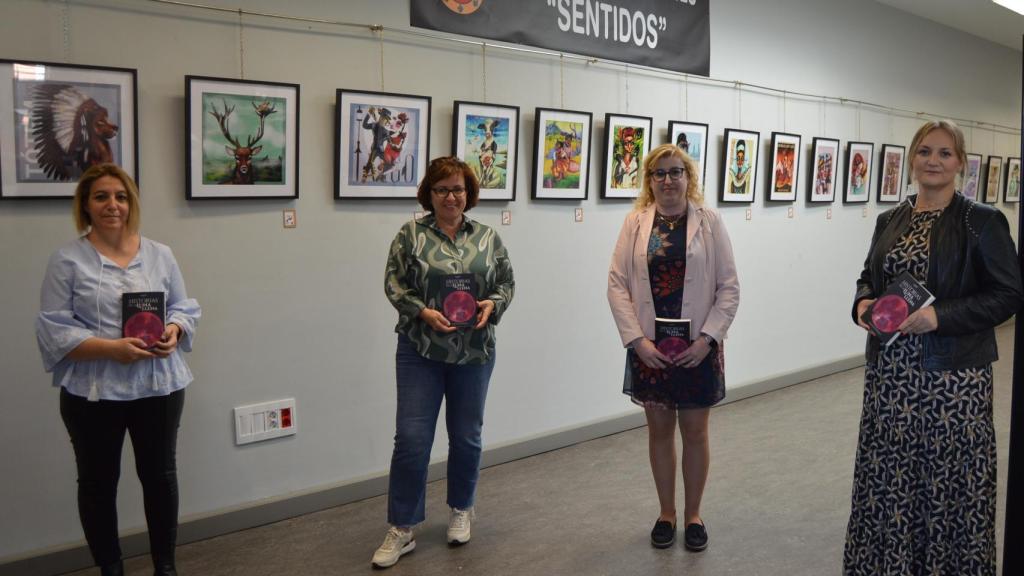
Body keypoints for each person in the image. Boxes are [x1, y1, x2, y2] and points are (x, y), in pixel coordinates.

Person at [845, 120, 1022, 576]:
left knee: (947, 484)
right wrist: (863, 302)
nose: (933, 161)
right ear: (912, 159)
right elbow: (870, 275)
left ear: (961, 162)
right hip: (890, 377)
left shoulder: (981, 221)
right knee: (891, 478)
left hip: (952, 381)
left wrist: (939, 316)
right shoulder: (892, 217)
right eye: (925, 152)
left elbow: (1008, 294)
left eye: (945, 153)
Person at [35, 163, 201, 576]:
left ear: (132, 204)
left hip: (158, 385)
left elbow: (184, 306)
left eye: (121, 196)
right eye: (102, 197)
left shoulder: (160, 254)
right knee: (97, 484)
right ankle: (111, 568)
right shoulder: (67, 260)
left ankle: (165, 565)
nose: (113, 205)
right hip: (94, 391)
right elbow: (54, 327)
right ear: (86, 206)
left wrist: (175, 331)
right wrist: (111, 349)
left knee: (160, 478)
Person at [374, 156, 515, 569]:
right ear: (429, 195)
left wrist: (493, 302)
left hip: (474, 352)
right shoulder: (410, 235)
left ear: (468, 193)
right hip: (420, 351)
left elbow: (506, 282)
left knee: (467, 436)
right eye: (442, 190)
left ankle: (461, 509)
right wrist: (421, 310)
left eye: (457, 189)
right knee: (412, 440)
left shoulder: (488, 238)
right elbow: (394, 282)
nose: (451, 197)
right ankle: (403, 526)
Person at [607, 143, 740, 552]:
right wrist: (636, 341)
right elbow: (617, 285)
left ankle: (694, 515)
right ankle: (667, 513)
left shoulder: (710, 222)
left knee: (696, 433)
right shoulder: (635, 223)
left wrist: (708, 339)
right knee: (660, 433)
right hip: (651, 349)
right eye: (659, 173)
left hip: (697, 348)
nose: (668, 180)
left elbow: (728, 288)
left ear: (688, 177)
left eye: (675, 172)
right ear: (649, 181)